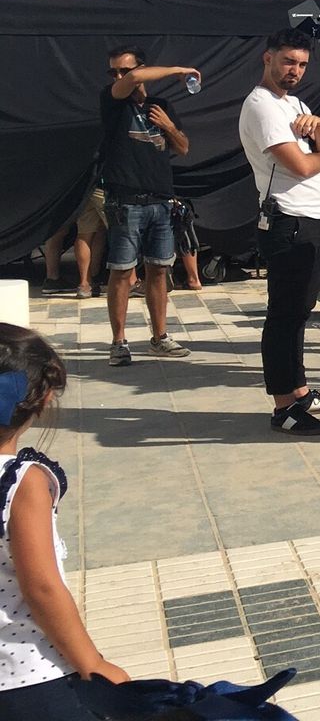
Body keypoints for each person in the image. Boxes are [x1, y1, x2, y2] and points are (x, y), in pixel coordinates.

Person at [0, 323, 129, 718]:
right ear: (41, 398)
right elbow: (42, 588)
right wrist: (92, 662)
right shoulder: (22, 483)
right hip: (27, 676)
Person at [239, 28, 320, 436]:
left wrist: (319, 126)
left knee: (299, 312)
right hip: (289, 220)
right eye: (288, 62)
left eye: (302, 64)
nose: (295, 71)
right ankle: (283, 407)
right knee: (284, 315)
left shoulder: (295, 103)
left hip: (313, 218)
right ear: (268, 58)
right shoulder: (263, 106)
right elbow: (302, 166)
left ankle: (298, 391)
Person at [100, 47, 194, 366]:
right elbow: (137, 77)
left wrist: (168, 125)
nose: (119, 77)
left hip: (160, 200)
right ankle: (119, 342)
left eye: (123, 71)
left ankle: (160, 337)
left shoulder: (161, 106)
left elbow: (182, 149)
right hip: (125, 200)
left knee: (159, 270)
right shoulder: (113, 101)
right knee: (122, 272)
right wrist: (178, 69)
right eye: (113, 71)